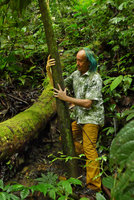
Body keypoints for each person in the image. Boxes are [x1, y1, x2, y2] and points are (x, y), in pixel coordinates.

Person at [46, 48, 104, 193]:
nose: (77, 63)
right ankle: (84, 163)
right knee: (65, 138)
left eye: (80, 60)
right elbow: (58, 87)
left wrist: (67, 99)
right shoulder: (76, 75)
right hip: (79, 118)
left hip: (92, 117)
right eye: (76, 59)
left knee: (90, 149)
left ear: (89, 63)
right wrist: (49, 71)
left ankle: (94, 186)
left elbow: (88, 103)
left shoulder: (95, 78)